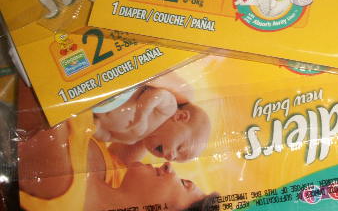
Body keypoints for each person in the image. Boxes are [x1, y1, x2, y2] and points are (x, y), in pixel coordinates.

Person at [18, 82, 206, 211]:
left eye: (184, 184)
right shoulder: (115, 179)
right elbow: (146, 134)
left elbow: (37, 83)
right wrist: (170, 121)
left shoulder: (59, 185)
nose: (169, 165)